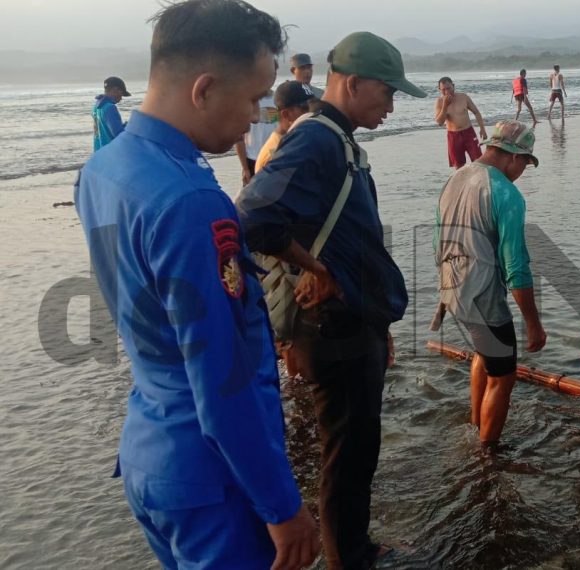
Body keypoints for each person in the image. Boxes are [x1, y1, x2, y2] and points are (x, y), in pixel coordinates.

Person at [73, 1, 320, 569]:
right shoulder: (191, 201)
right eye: (254, 97)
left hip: (151, 452)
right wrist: (283, 507)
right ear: (204, 89)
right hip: (215, 478)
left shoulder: (104, 169)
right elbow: (222, 380)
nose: (255, 116)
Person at [238, 31, 426, 570]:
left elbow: (346, 236)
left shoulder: (340, 140)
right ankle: (349, 559)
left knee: (357, 448)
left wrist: (378, 318)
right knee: (346, 453)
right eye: (387, 92)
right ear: (354, 82)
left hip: (353, 322)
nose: (391, 105)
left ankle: (356, 548)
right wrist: (316, 267)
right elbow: (252, 218)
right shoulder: (318, 138)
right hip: (331, 327)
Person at [435, 120, 547, 446]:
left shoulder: (456, 178)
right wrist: (533, 324)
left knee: (484, 354)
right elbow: (517, 268)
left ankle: (476, 423)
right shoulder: (506, 193)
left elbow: (438, 239)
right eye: (525, 162)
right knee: (504, 376)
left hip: (453, 288)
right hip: (483, 297)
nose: (523, 169)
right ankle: (488, 455)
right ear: (513, 156)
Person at [254, 79, 315, 172]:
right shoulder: (274, 156)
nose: (311, 112)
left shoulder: (300, 139)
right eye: (305, 108)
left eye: (313, 106)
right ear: (286, 115)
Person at [435, 77, 487, 169]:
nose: (447, 92)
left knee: (479, 163)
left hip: (468, 133)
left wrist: (482, 129)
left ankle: (479, 182)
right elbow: (439, 122)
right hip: (453, 136)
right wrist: (445, 106)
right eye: (443, 90)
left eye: (448, 88)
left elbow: (476, 112)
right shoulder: (439, 102)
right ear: (439, 90)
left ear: (453, 86)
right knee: (458, 166)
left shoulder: (463, 97)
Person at [236, 86, 277, 184]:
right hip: (252, 159)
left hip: (274, 159)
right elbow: (239, 138)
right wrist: (245, 168)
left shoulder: (279, 99)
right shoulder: (247, 101)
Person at [92, 76, 130, 151]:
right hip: (111, 153)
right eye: (121, 93)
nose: (121, 98)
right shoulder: (110, 108)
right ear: (115, 89)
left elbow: (104, 130)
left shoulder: (96, 106)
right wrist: (130, 125)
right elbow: (118, 135)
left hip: (99, 152)